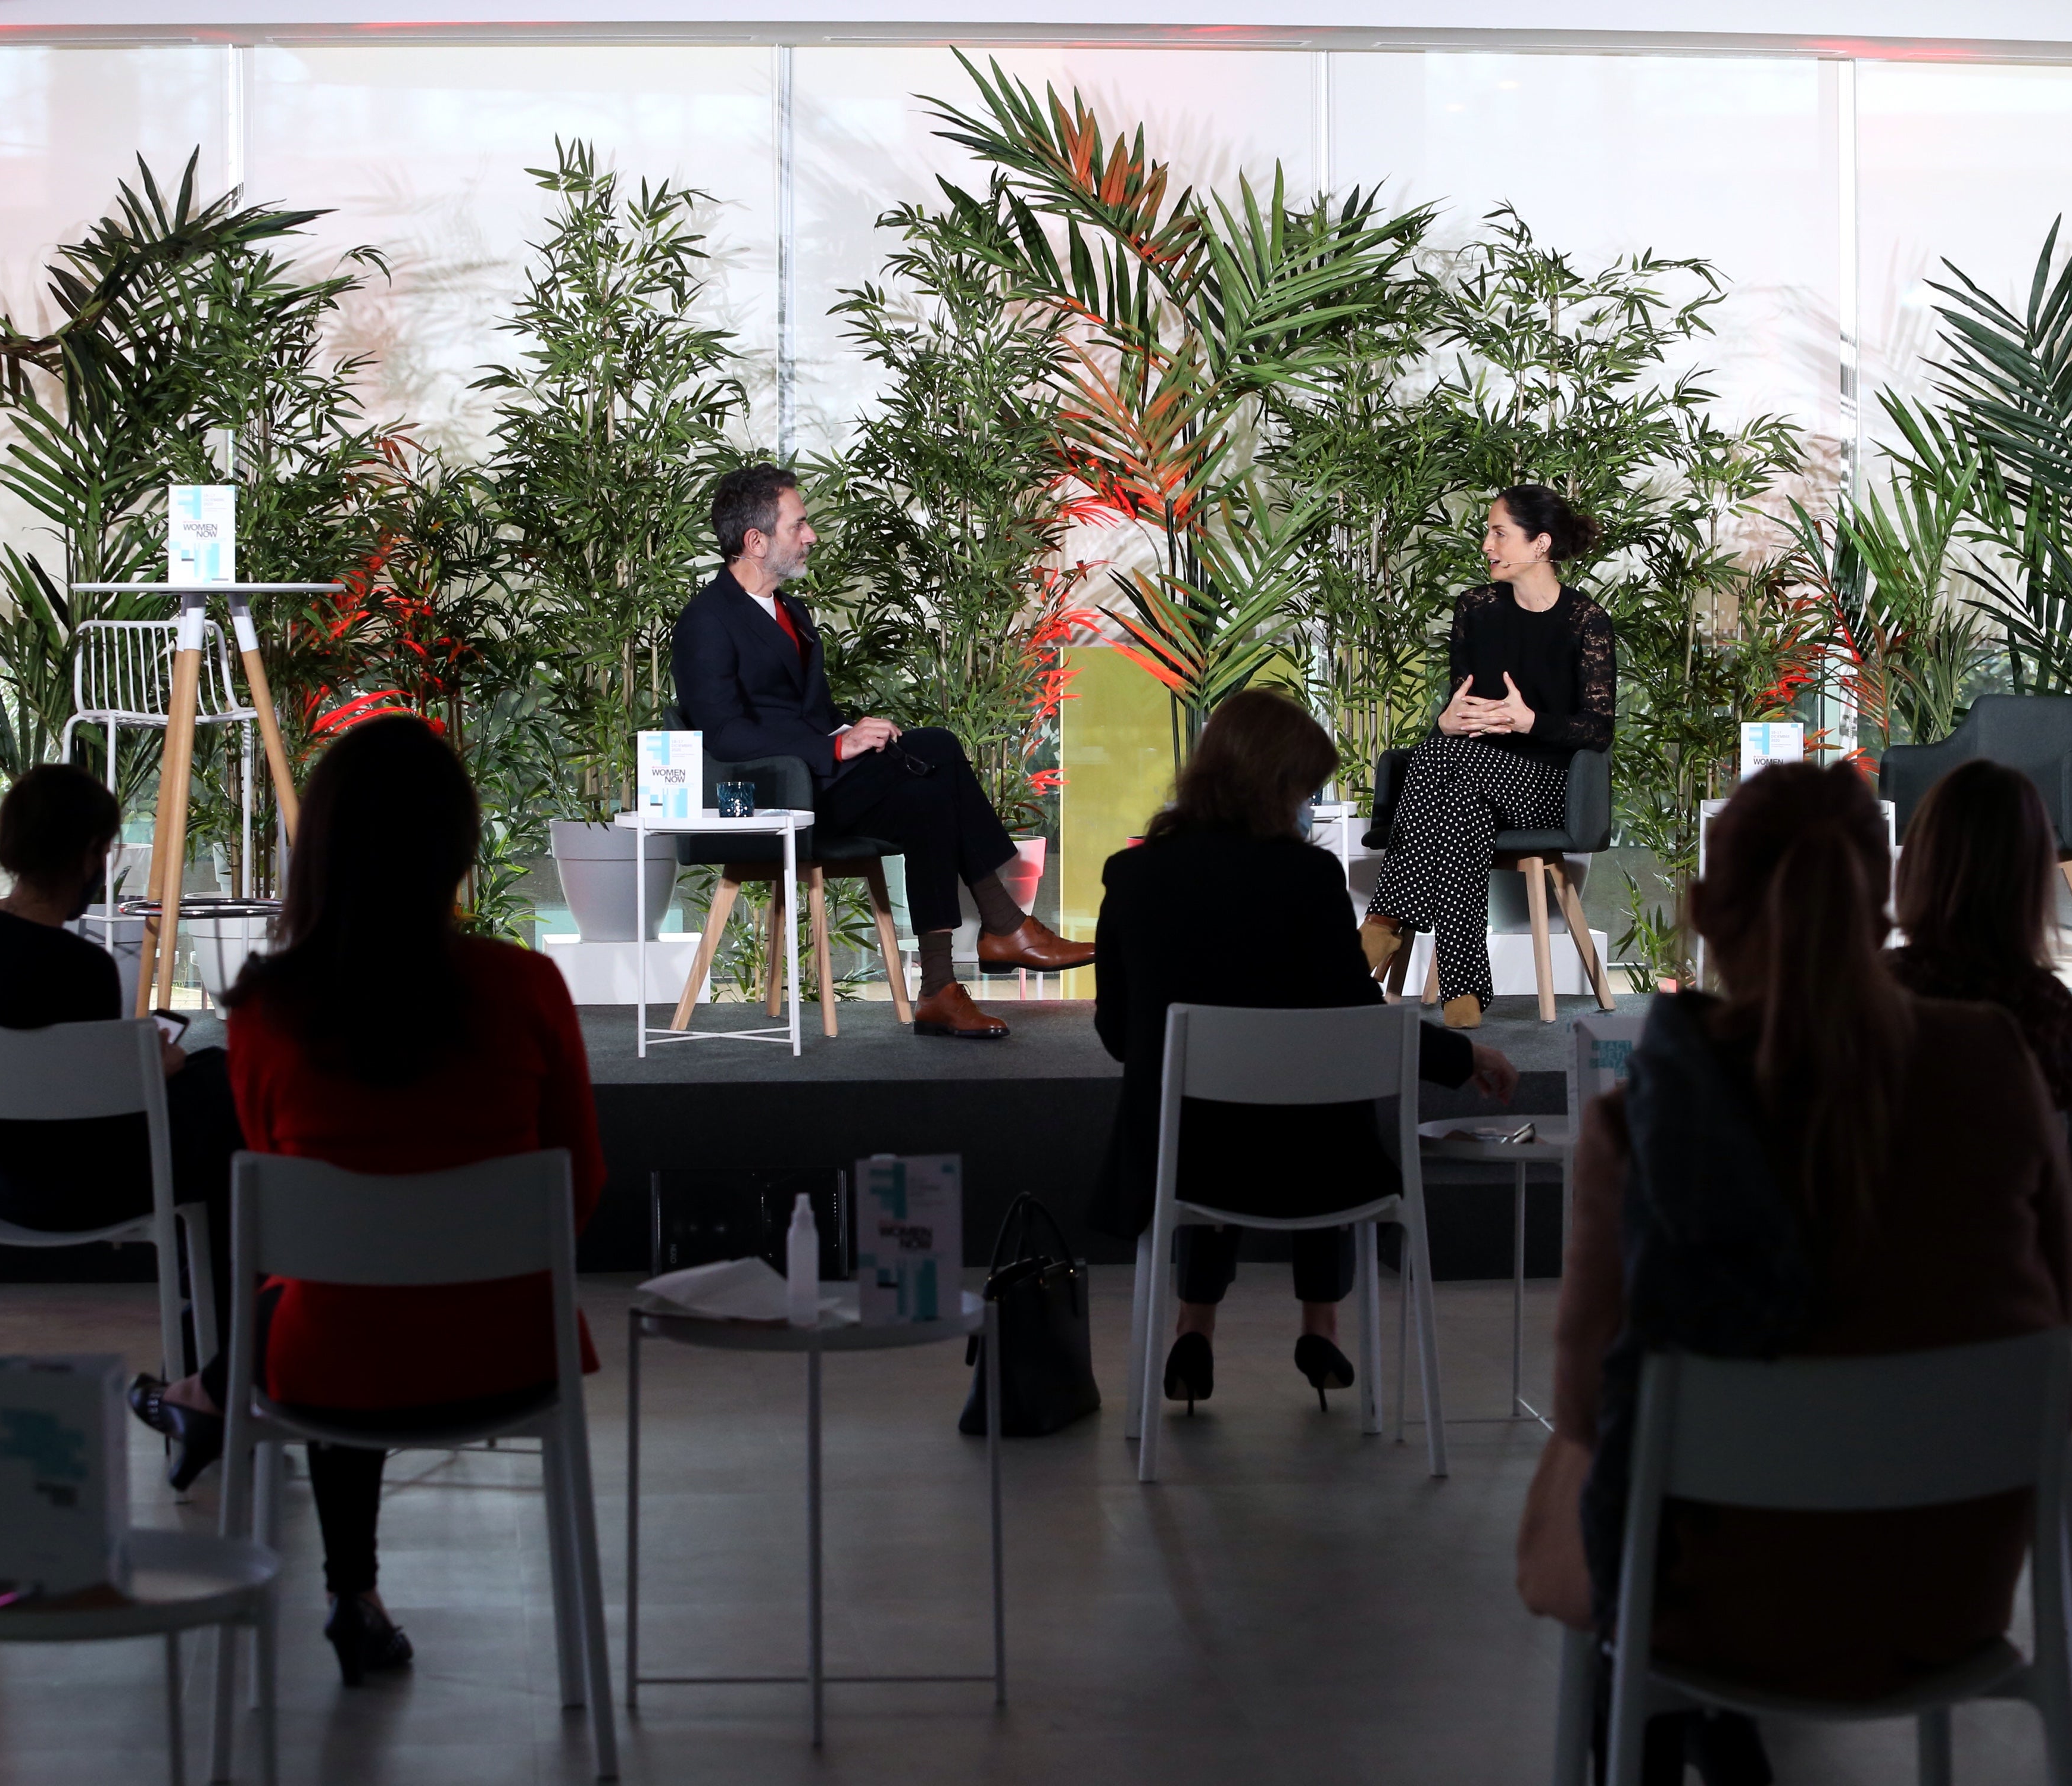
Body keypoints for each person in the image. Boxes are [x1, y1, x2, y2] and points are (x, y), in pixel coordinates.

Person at [1514, 763, 2072, 1784]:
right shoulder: (1995, 1060)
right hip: (1945, 1599)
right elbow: (2058, 1319)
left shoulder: (1635, 1125)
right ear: (1885, 907)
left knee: (1593, 1449)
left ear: (1699, 915)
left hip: (1728, 1611)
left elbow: (1587, 1406)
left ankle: (1655, 1728)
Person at [127, 716, 607, 1687]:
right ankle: (227, 1429)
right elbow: (582, 1177)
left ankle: (345, 1578)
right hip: (512, 1348)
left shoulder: (264, 1010)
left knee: (326, 1302)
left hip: (330, 1359)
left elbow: (282, 1194)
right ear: (459, 846)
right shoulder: (526, 987)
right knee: (341, 1303)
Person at [1090, 689, 1519, 1411]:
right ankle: (1321, 1325)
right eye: (1304, 789)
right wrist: (1458, 1057)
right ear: (1274, 786)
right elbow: (1355, 1019)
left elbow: (1116, 1033)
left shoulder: (1132, 876)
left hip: (1179, 1162)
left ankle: (1193, 1328)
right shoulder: (1308, 879)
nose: (1307, 807)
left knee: (1207, 1109)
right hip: (1315, 1169)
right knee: (1327, 1101)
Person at [669, 462, 1093, 1040]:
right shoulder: (706, 621)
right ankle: (1003, 927)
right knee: (936, 757)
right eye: (800, 525)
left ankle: (942, 987)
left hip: (822, 779)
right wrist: (835, 747)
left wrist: (850, 731)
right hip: (772, 795)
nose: (811, 535)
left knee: (929, 778)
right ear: (755, 541)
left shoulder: (792, 612)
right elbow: (725, 735)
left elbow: (806, 715)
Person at [0, 762, 243, 1243]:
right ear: (91, 854)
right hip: (76, 1191)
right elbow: (95, 1121)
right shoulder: (83, 968)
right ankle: (224, 1305)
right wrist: (153, 1071)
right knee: (223, 1083)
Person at [1361, 485, 1616, 1027]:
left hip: (1549, 787)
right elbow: (1465, 709)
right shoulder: (1475, 610)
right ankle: (1464, 989)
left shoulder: (1586, 621)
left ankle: (1387, 919)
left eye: (1499, 532)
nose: (1486, 544)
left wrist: (1531, 722)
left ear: (1540, 544)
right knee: (1458, 797)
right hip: (1470, 775)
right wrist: (1445, 722)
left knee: (1437, 762)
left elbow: (1597, 730)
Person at [1889, 758, 2072, 1111]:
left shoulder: (1875, 983)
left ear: (1919, 862)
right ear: (2032, 879)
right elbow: (2046, 1143)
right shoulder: (2044, 1006)